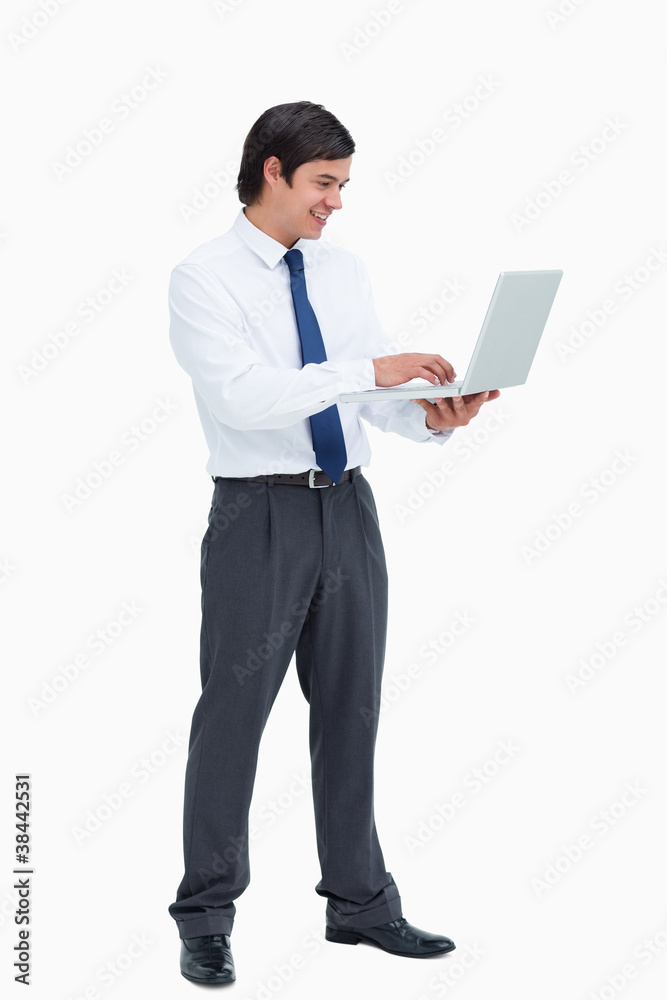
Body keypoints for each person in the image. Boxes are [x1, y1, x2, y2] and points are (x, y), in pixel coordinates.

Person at [167, 100, 500, 986]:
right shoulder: (203, 278)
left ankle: (359, 904)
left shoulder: (341, 272)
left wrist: (431, 419)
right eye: (324, 184)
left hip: (346, 510)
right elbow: (245, 397)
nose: (336, 203)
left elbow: (363, 399)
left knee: (351, 710)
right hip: (256, 518)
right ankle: (205, 915)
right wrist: (371, 373)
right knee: (231, 719)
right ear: (272, 171)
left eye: (343, 186)